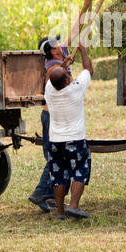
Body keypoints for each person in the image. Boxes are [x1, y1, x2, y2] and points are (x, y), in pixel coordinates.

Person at [28, 0, 94, 213]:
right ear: (50, 52)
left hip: (59, 114)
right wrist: (65, 66)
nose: (60, 46)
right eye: (56, 45)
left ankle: (52, 199)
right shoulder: (50, 68)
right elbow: (58, 80)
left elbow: (74, 32)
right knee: (54, 157)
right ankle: (41, 194)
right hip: (53, 116)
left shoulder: (60, 54)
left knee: (57, 156)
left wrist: (84, 8)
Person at [45, 42, 93, 220]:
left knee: (58, 175)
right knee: (80, 170)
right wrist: (83, 51)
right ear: (67, 81)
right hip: (75, 140)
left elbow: (55, 76)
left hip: (55, 141)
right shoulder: (76, 90)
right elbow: (88, 69)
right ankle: (73, 205)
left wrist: (64, 63)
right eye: (67, 76)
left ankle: (60, 211)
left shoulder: (49, 91)